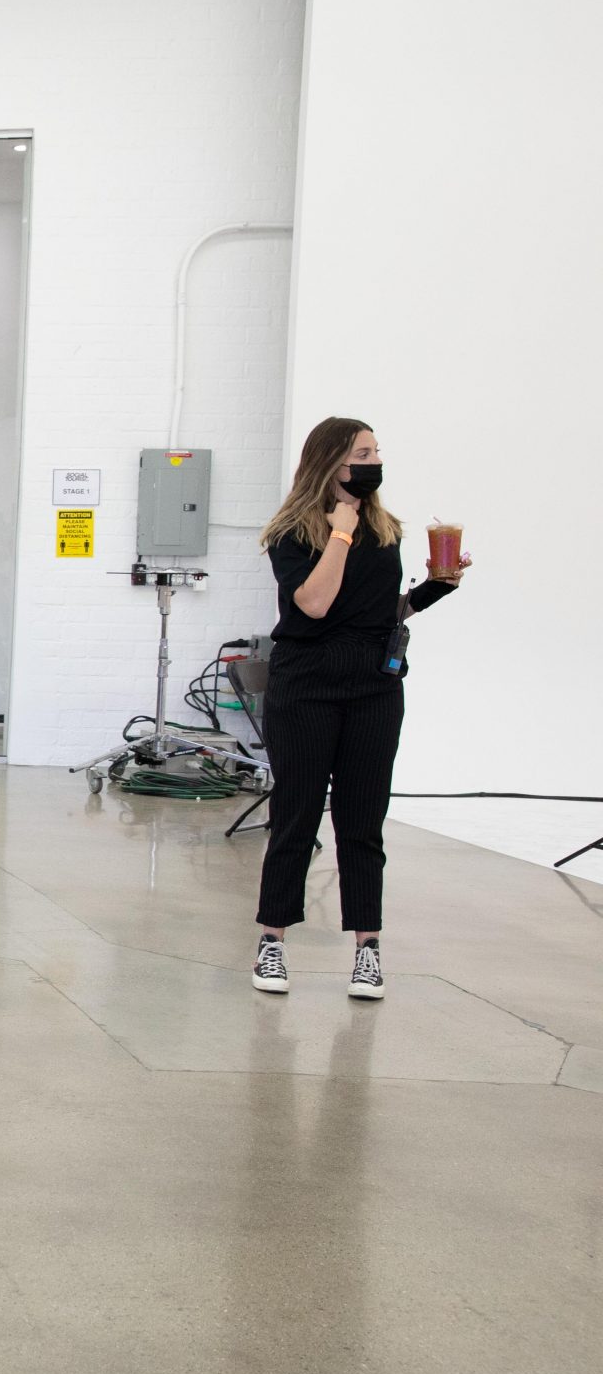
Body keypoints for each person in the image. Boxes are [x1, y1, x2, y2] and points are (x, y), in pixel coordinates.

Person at [250, 416, 466, 1000]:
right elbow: (315, 604)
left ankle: (367, 949)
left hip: (374, 686)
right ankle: (272, 940)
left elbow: (377, 611)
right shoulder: (291, 531)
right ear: (331, 462)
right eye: (363, 454)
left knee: (363, 822)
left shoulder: (384, 528)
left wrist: (434, 588)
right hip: (305, 686)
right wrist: (339, 535)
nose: (375, 463)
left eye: (376, 452)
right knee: (296, 816)